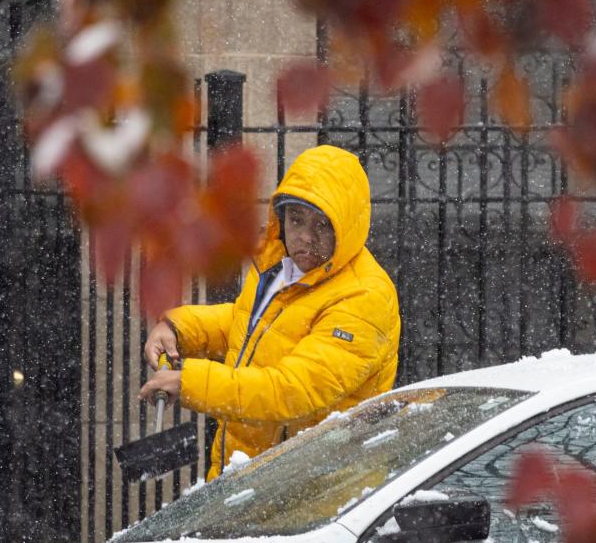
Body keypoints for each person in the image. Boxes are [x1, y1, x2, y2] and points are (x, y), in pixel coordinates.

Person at [139, 144, 400, 480]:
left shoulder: (364, 296)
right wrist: (178, 327)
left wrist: (190, 382)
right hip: (254, 482)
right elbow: (248, 324)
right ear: (281, 218)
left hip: (314, 498)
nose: (305, 237)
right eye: (296, 219)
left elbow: (291, 390)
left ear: (346, 224)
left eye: (322, 224)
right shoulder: (283, 266)